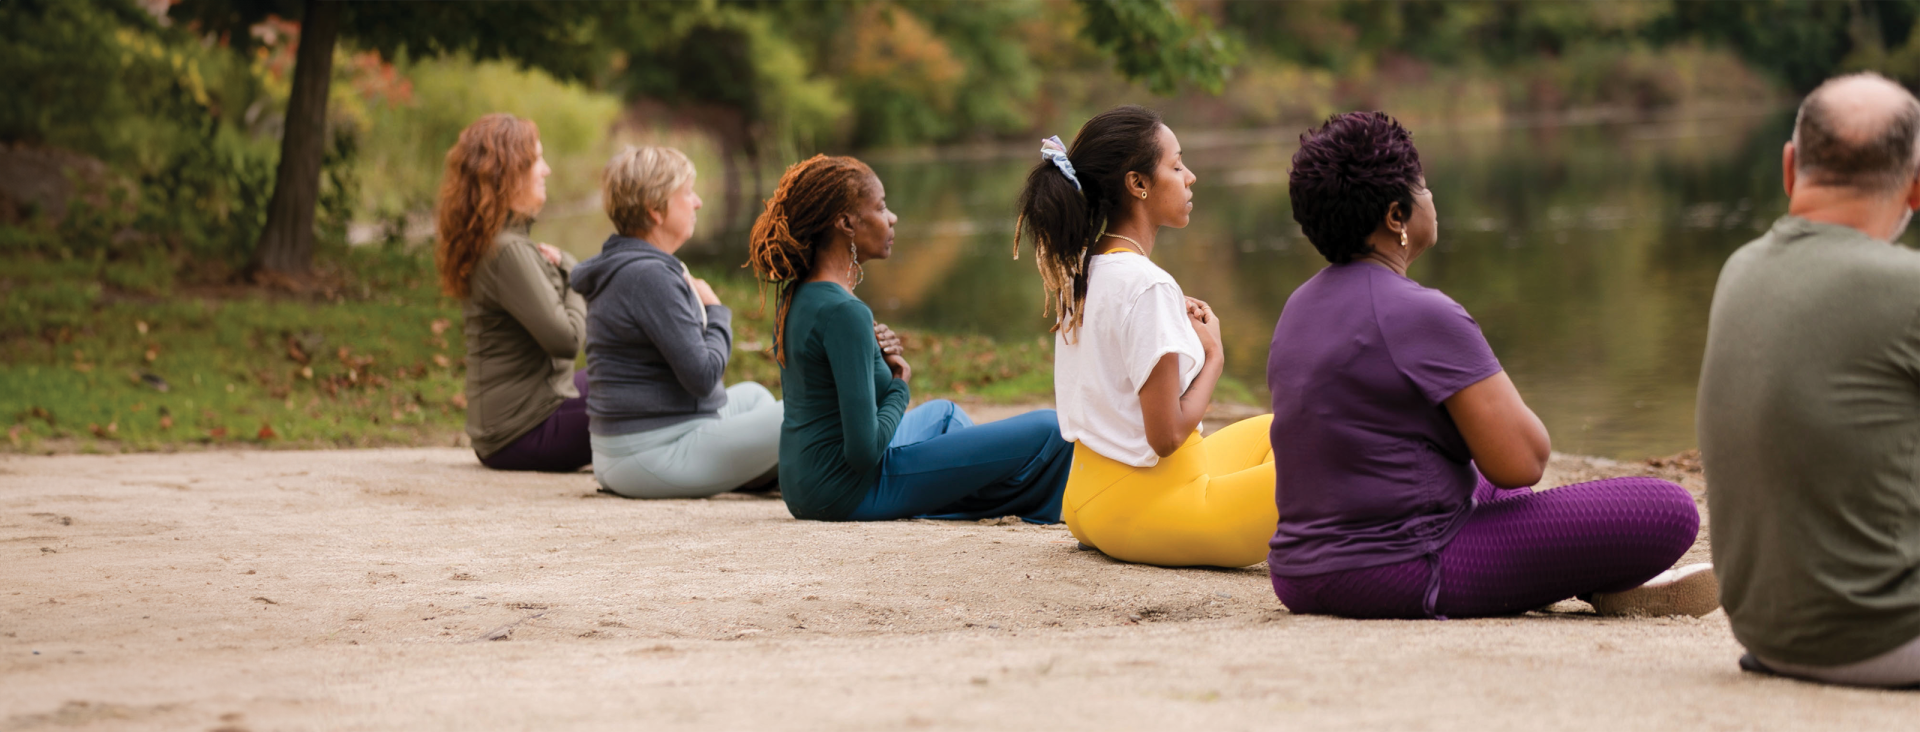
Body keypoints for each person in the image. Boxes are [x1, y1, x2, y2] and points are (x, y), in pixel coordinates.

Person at [1267, 111, 1713, 619]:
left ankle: (1561, 572)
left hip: (1299, 572)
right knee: (1668, 509)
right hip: (1396, 570)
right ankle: (1581, 576)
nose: (1432, 200)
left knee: (1489, 485)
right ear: (1397, 216)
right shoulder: (1421, 313)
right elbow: (1525, 460)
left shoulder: (1298, 306)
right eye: (1425, 189)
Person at [1699, 72, 1920, 688]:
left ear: (1790, 168)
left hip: (1767, 633)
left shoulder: (1739, 268)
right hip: (1884, 636)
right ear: (1917, 187)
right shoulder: (1908, 289)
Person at [1012, 105, 1277, 568]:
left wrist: (1170, 312)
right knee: (1336, 455)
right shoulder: (1146, 285)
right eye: (1176, 166)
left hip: (1087, 501)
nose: (1190, 177)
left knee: (1285, 427)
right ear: (1138, 184)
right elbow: (1168, 436)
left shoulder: (1086, 269)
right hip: (1156, 504)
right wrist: (1214, 355)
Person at [746, 154, 1073, 523]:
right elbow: (864, 452)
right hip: (846, 491)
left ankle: (976, 489)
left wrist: (874, 360)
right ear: (846, 222)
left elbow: (832, 400)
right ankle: (1002, 496)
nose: (892, 218)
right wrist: (900, 383)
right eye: (882, 207)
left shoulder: (799, 294)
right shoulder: (844, 312)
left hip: (804, 485)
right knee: (1053, 430)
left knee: (945, 413)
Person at [569, 146, 782, 498]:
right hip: (651, 453)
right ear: (655, 209)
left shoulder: (632, 266)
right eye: (687, 193)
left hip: (630, 447)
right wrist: (716, 311)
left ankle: (751, 472)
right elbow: (701, 376)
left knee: (755, 397)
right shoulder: (648, 276)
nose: (697, 202)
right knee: (809, 410)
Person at [435, 113, 589, 472]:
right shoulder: (507, 251)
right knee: (641, 390)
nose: (547, 170)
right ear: (509, 172)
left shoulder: (501, 242)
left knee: (625, 374)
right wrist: (575, 275)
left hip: (509, 426)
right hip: (522, 432)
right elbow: (566, 341)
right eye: (536, 160)